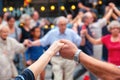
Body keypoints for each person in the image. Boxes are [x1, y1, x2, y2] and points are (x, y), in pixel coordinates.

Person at [15, 39, 120, 80]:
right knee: (58, 76)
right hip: (57, 58)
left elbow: (114, 75)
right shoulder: (52, 34)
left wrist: (77, 54)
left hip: (68, 58)